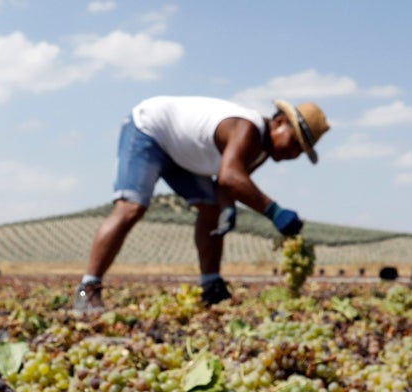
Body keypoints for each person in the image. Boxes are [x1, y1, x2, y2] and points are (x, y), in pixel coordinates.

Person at [74, 95, 329, 314]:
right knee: (131, 207)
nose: (294, 154)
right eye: (295, 143)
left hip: (181, 155)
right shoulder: (247, 128)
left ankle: (211, 287)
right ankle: (87, 289)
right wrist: (275, 212)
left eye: (301, 151)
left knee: (212, 210)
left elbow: (226, 181)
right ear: (280, 122)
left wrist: (227, 206)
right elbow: (231, 177)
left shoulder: (261, 151)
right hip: (149, 131)